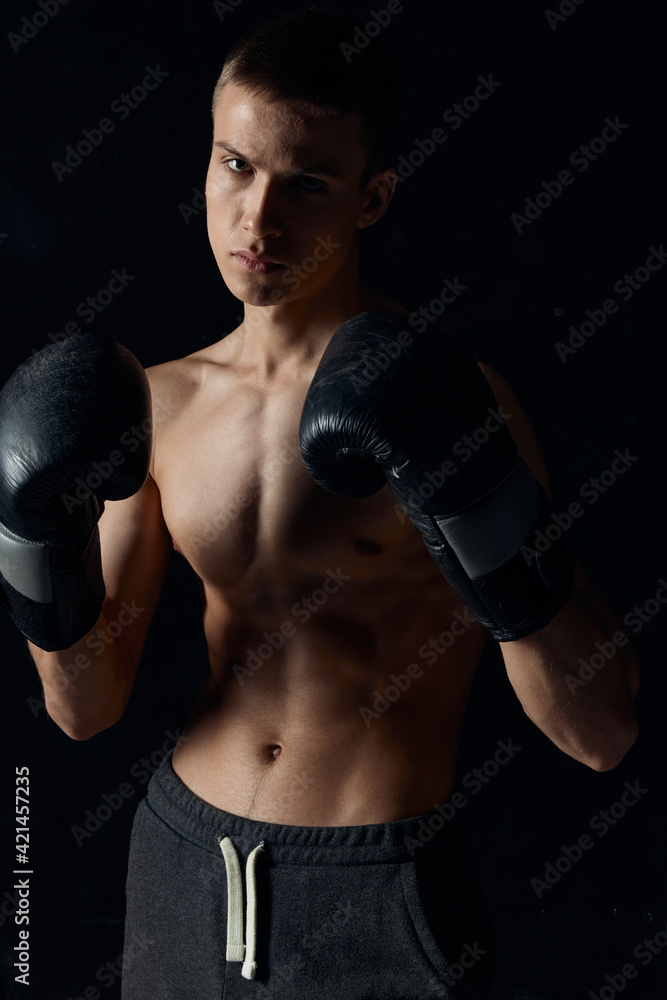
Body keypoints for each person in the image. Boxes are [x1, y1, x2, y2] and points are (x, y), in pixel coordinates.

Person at [0, 8, 640, 998]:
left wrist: (483, 516)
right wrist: (33, 537)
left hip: (376, 892)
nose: (258, 222)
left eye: (306, 183)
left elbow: (599, 731)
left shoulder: (448, 402)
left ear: (371, 197)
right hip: (180, 858)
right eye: (235, 166)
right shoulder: (156, 404)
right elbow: (84, 709)